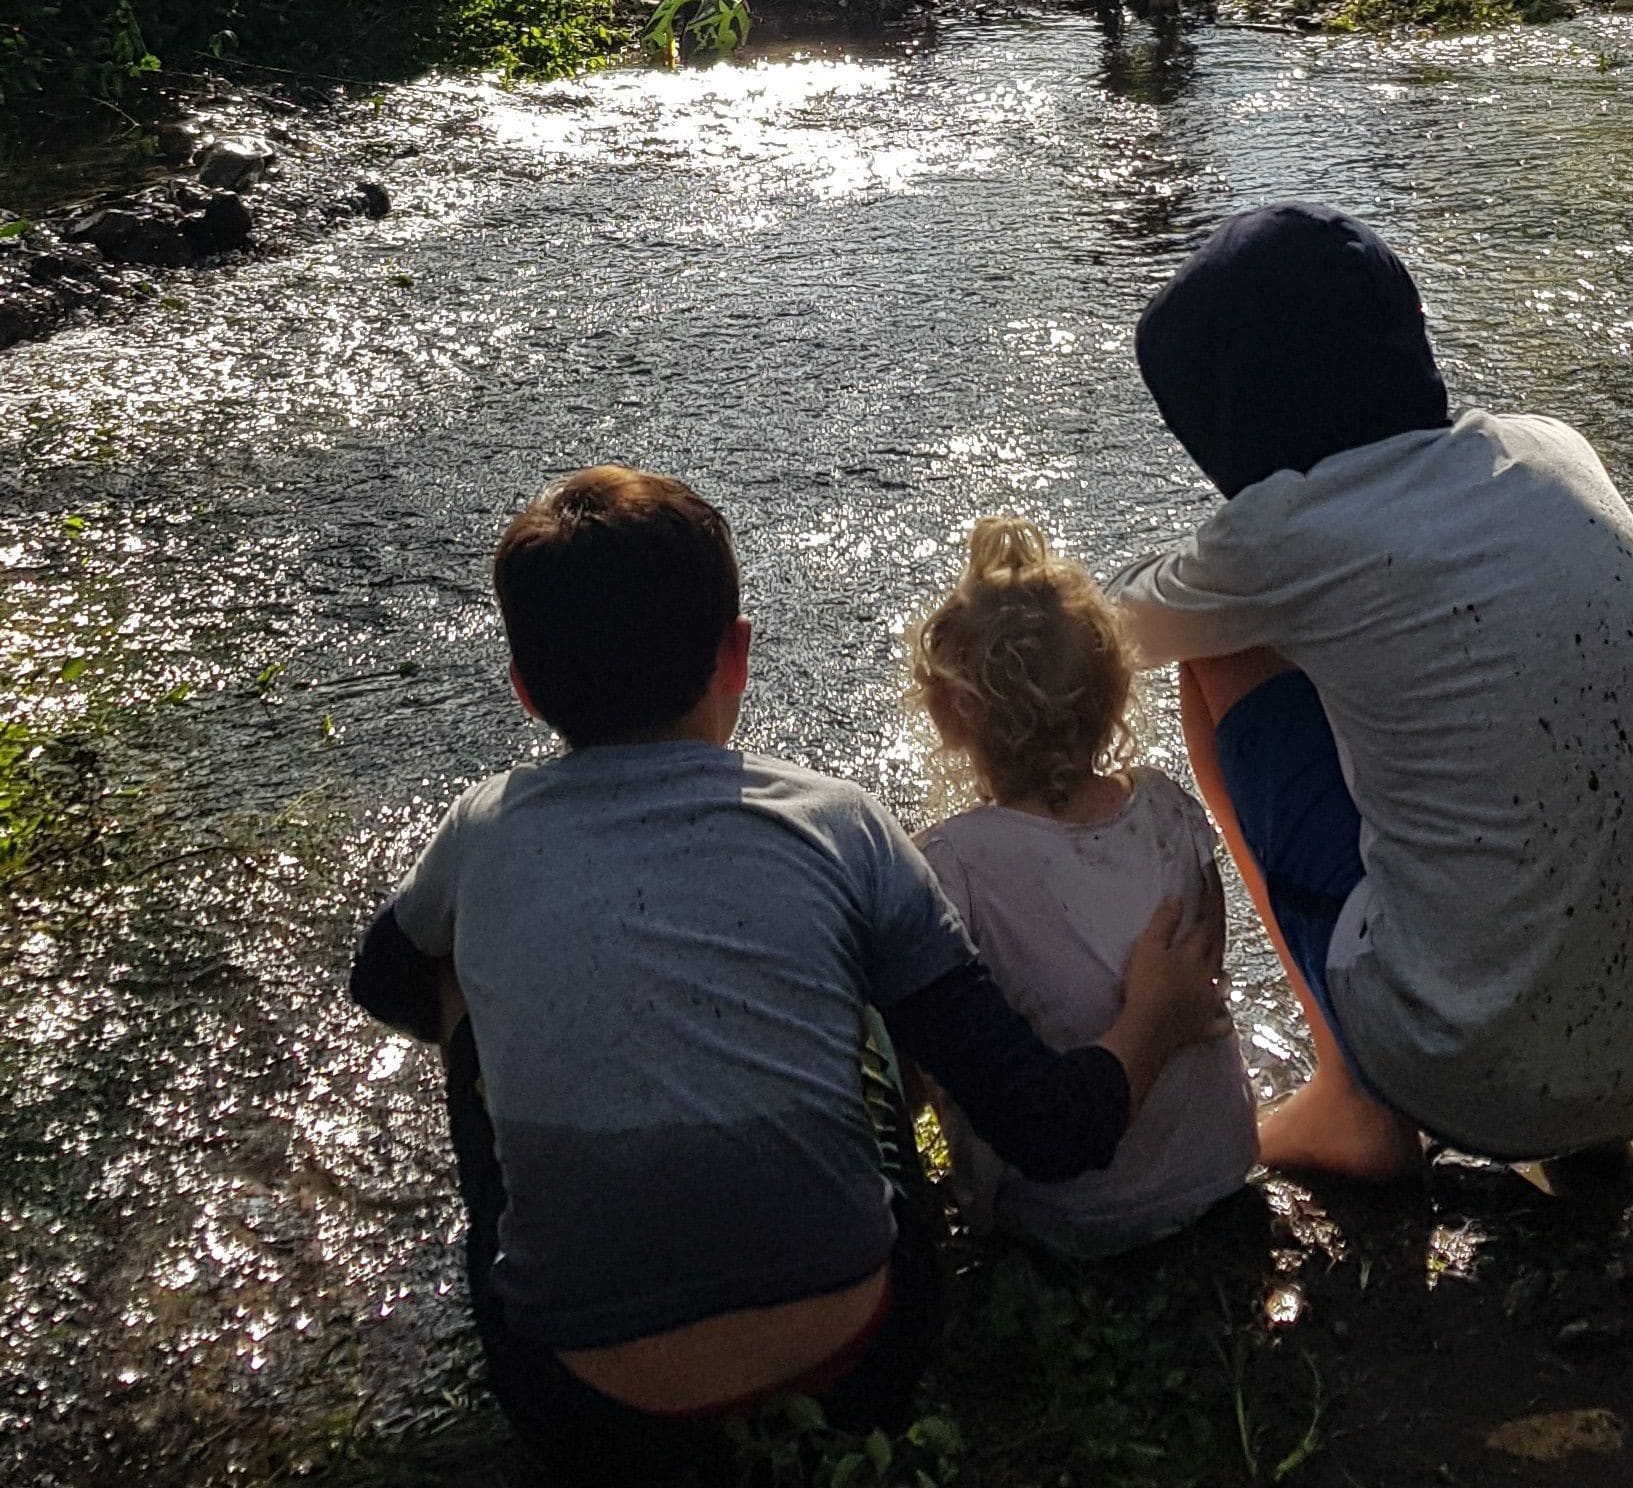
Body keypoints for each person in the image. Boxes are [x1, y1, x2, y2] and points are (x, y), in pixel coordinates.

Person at [349, 466, 1224, 1483]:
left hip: (580, 1410)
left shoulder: (481, 828)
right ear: (739, 655)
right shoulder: (839, 820)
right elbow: (1052, 1128)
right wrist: (1154, 1016)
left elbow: (383, 982)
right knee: (866, 958)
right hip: (860, 1367)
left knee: (451, 957)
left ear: (525, 689)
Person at [1109, 202, 1633, 1182]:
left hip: (1474, 1070)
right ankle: (1594, 1123)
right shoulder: (1550, 446)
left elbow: (1113, 635)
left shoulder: (1283, 535)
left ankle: (1351, 1097)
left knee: (1218, 658)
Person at [910, 517, 1258, 1256]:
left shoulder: (951, 864)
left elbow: (927, 1043)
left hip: (1068, 1219)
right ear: (1113, 692)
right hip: (1220, 1170)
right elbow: (1210, 961)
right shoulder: (1169, 809)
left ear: (951, 717)